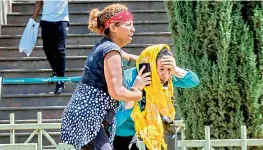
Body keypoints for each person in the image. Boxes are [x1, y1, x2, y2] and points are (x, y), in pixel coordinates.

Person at [60, 4, 143, 150]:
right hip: (88, 115)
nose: (133, 29)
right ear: (113, 27)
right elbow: (116, 92)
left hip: (87, 115)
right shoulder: (111, 50)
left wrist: (152, 59)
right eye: (128, 24)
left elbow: (130, 58)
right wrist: (137, 92)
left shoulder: (107, 47)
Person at [113, 44, 200, 150]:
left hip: (154, 127)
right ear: (150, 67)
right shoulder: (127, 80)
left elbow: (194, 81)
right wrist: (135, 90)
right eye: (161, 69)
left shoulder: (166, 77)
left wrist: (176, 70)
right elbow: (115, 121)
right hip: (125, 130)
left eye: (169, 69)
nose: (166, 74)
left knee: (166, 129)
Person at [32, 0, 69, 94]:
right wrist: (33, 18)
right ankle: (56, 71)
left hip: (62, 20)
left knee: (60, 50)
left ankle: (60, 81)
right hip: (46, 20)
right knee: (47, 49)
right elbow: (39, 2)